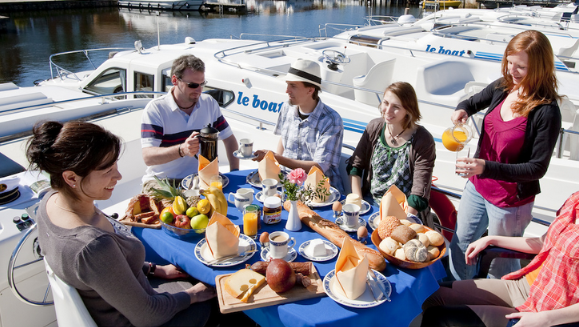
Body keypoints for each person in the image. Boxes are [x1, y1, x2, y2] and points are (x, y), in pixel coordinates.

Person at [421, 145, 579, 327]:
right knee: (432, 296)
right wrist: (491, 239)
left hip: (549, 310)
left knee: (439, 318)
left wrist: (545, 320)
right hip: (525, 286)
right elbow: (544, 243)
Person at [28, 120, 214, 327]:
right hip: (140, 318)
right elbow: (149, 315)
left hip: (124, 297)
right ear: (71, 177)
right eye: (107, 171)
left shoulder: (52, 201)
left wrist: (154, 270)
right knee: (218, 301)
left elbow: (107, 269)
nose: (118, 176)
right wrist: (193, 295)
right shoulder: (93, 247)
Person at [448, 30, 562, 281]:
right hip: (478, 187)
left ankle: (489, 311)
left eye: (521, 66)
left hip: (510, 202)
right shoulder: (503, 87)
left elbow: (536, 168)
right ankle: (461, 295)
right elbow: (472, 102)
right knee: (461, 244)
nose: (512, 70)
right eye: (510, 62)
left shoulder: (547, 110)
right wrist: (462, 109)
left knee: (500, 264)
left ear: (541, 68)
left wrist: (485, 167)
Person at [141, 55, 239, 190]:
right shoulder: (156, 109)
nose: (199, 90)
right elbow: (148, 157)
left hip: (200, 178)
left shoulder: (209, 103)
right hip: (164, 182)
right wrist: (182, 150)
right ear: (175, 80)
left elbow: (229, 139)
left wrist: (234, 172)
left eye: (202, 84)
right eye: (192, 85)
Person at [346, 81, 435, 224]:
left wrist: (401, 223)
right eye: (385, 103)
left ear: (408, 110)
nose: (387, 111)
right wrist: (359, 203)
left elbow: (419, 192)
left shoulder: (423, 139)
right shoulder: (374, 127)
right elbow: (355, 167)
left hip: (403, 213)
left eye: (396, 107)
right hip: (371, 205)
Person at [253, 59, 345, 194]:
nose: (287, 90)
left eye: (293, 86)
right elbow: (283, 140)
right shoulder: (286, 108)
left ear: (310, 90)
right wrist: (276, 166)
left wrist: (276, 158)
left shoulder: (331, 120)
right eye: (287, 85)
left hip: (320, 191)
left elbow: (319, 168)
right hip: (289, 184)